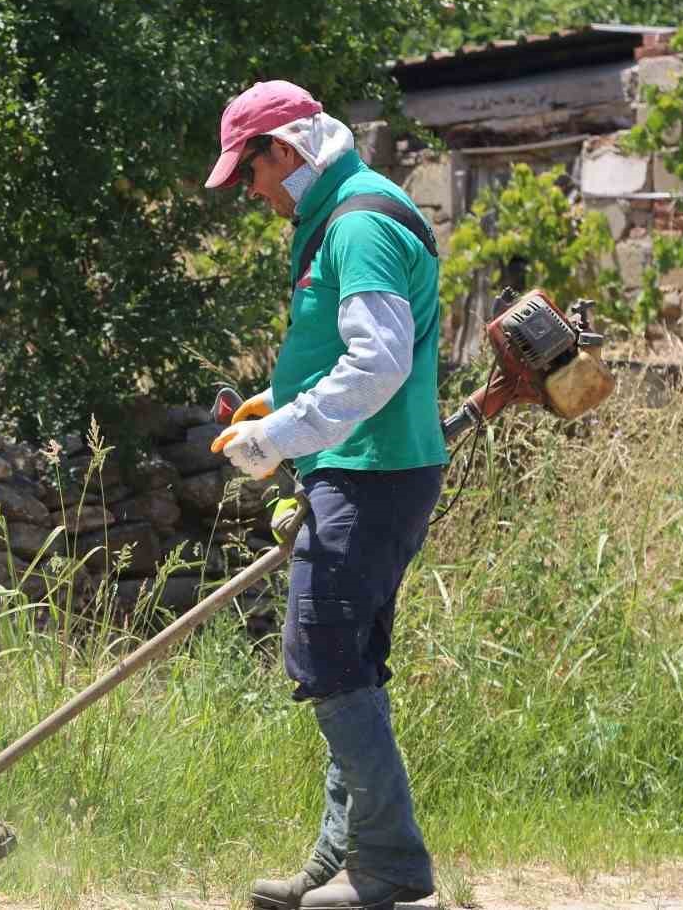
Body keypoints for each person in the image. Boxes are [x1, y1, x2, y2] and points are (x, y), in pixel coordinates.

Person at [205, 80, 447, 910]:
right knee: (352, 667)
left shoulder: (358, 222)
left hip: (370, 470)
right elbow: (350, 354)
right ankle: (337, 864)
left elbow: (379, 362)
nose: (253, 191)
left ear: (287, 149)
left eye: (252, 172)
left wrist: (276, 441)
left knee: (326, 660)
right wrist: (282, 403)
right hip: (364, 465)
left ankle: (389, 873)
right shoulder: (341, 210)